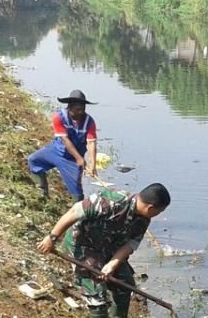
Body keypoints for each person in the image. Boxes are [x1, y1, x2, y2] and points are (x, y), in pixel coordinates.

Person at [37, 183, 171, 318]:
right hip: (83, 246)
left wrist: (111, 265)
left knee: (125, 285)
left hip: (109, 248)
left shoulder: (143, 219)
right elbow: (74, 212)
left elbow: (130, 244)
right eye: (159, 212)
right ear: (150, 208)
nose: (157, 215)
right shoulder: (111, 201)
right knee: (96, 297)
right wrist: (51, 238)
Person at [27, 89, 98, 202]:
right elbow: (65, 140)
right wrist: (79, 159)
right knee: (34, 160)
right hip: (57, 151)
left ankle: (78, 211)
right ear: (70, 108)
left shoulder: (89, 121)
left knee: (76, 190)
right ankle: (42, 193)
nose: (81, 112)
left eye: (83, 109)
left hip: (71, 160)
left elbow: (91, 142)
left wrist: (93, 164)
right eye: (77, 109)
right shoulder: (59, 117)